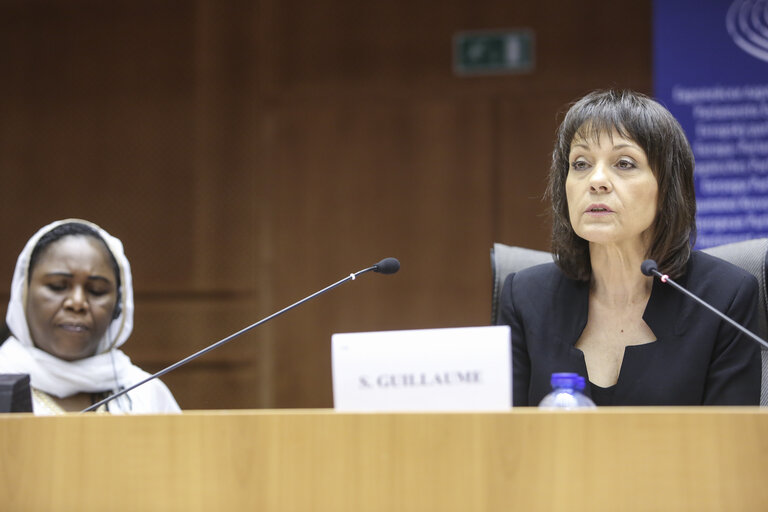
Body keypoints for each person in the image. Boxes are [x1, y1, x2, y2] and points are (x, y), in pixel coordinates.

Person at [498, 89, 761, 406]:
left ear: (666, 188)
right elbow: (504, 439)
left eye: (624, 163)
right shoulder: (525, 297)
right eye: (580, 163)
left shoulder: (722, 297)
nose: (596, 181)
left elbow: (731, 446)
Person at [0, 219, 180, 414]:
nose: (77, 303)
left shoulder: (145, 393)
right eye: (57, 286)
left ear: (119, 306)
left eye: (96, 290)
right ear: (23, 295)